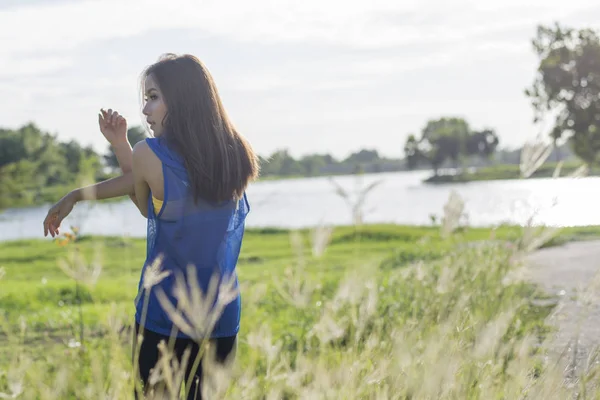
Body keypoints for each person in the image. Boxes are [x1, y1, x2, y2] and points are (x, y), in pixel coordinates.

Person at [42, 53, 260, 399]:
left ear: (182, 99)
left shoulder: (150, 153)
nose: (145, 111)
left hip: (163, 318)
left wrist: (77, 193)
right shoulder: (236, 152)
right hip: (220, 320)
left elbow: (144, 203)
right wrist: (121, 145)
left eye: (153, 98)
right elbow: (155, 205)